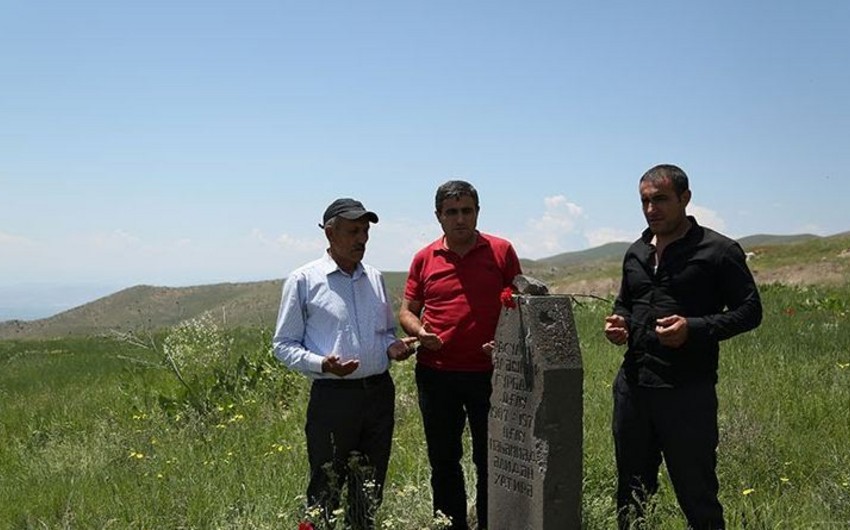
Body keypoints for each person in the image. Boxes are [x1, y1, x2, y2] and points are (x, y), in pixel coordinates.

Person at [604, 164, 762, 530]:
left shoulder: (718, 251)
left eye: (660, 199)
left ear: (685, 199)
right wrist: (619, 323)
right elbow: (626, 302)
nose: (650, 209)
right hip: (633, 387)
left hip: (687, 391)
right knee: (631, 493)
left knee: (697, 494)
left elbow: (750, 312)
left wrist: (693, 328)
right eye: (644, 201)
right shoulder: (636, 251)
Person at [272, 198, 416, 529]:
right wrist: (323, 364)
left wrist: (392, 347)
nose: (361, 238)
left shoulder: (375, 277)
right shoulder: (304, 280)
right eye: (353, 231)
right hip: (333, 398)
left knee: (370, 486)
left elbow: (384, 334)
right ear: (330, 233)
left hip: (378, 394)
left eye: (365, 231)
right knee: (327, 488)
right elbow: (283, 345)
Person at [399, 180, 522, 530]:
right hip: (437, 373)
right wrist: (420, 332)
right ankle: (451, 525)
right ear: (438, 216)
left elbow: (520, 304)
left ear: (477, 212)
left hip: (491, 373)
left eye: (466, 210)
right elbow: (407, 310)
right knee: (444, 460)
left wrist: (507, 341)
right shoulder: (424, 258)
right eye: (451, 212)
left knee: (492, 461)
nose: (460, 219)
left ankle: (491, 523)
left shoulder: (501, 251)